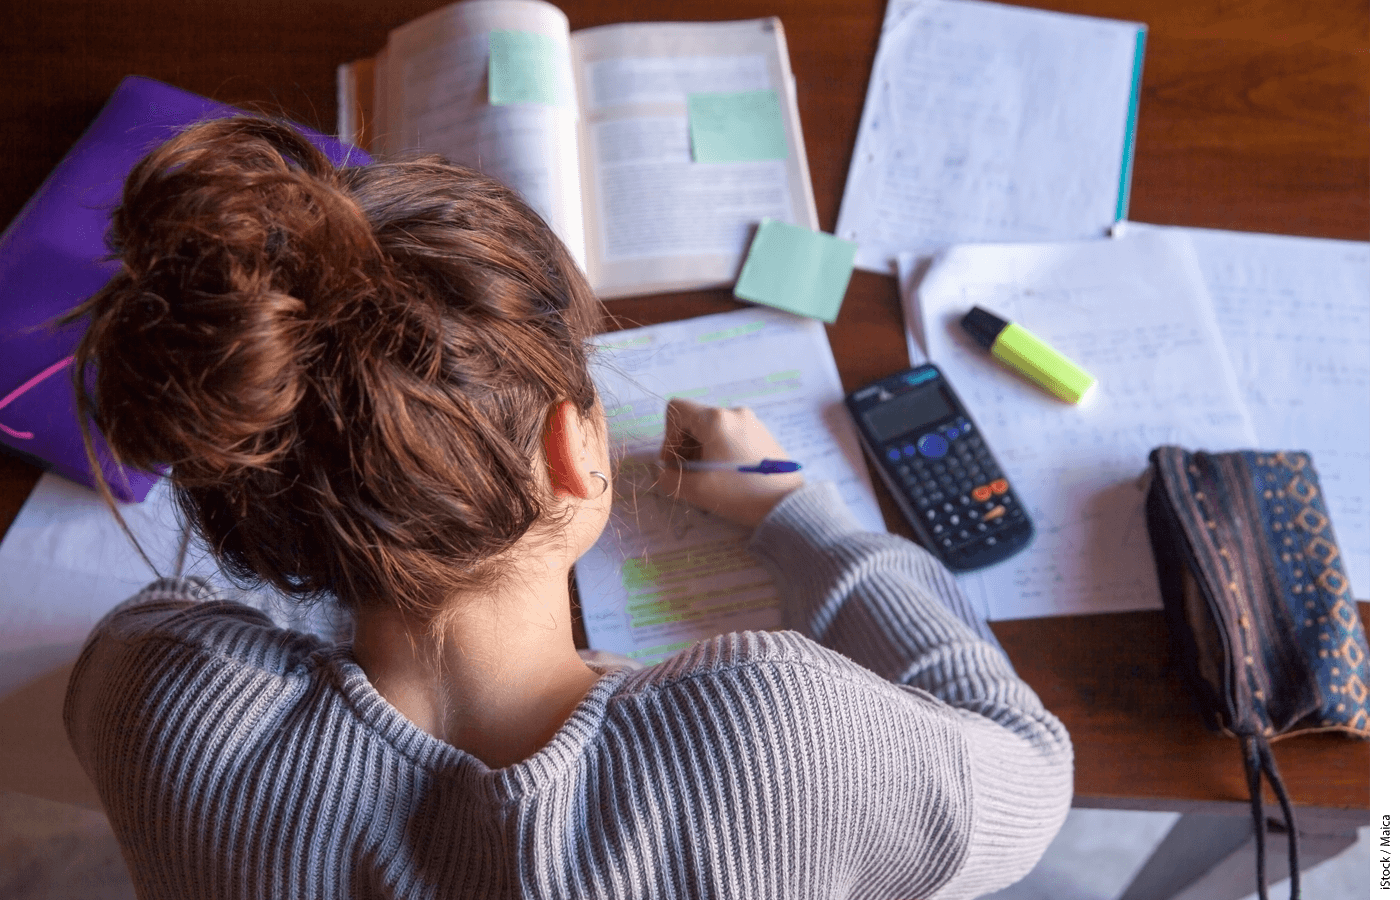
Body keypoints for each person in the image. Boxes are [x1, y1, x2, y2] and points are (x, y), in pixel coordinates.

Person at [63, 116, 1072, 899]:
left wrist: (349, 517)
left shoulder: (160, 701)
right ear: (572, 449)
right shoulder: (773, 740)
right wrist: (789, 506)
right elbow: (1029, 781)